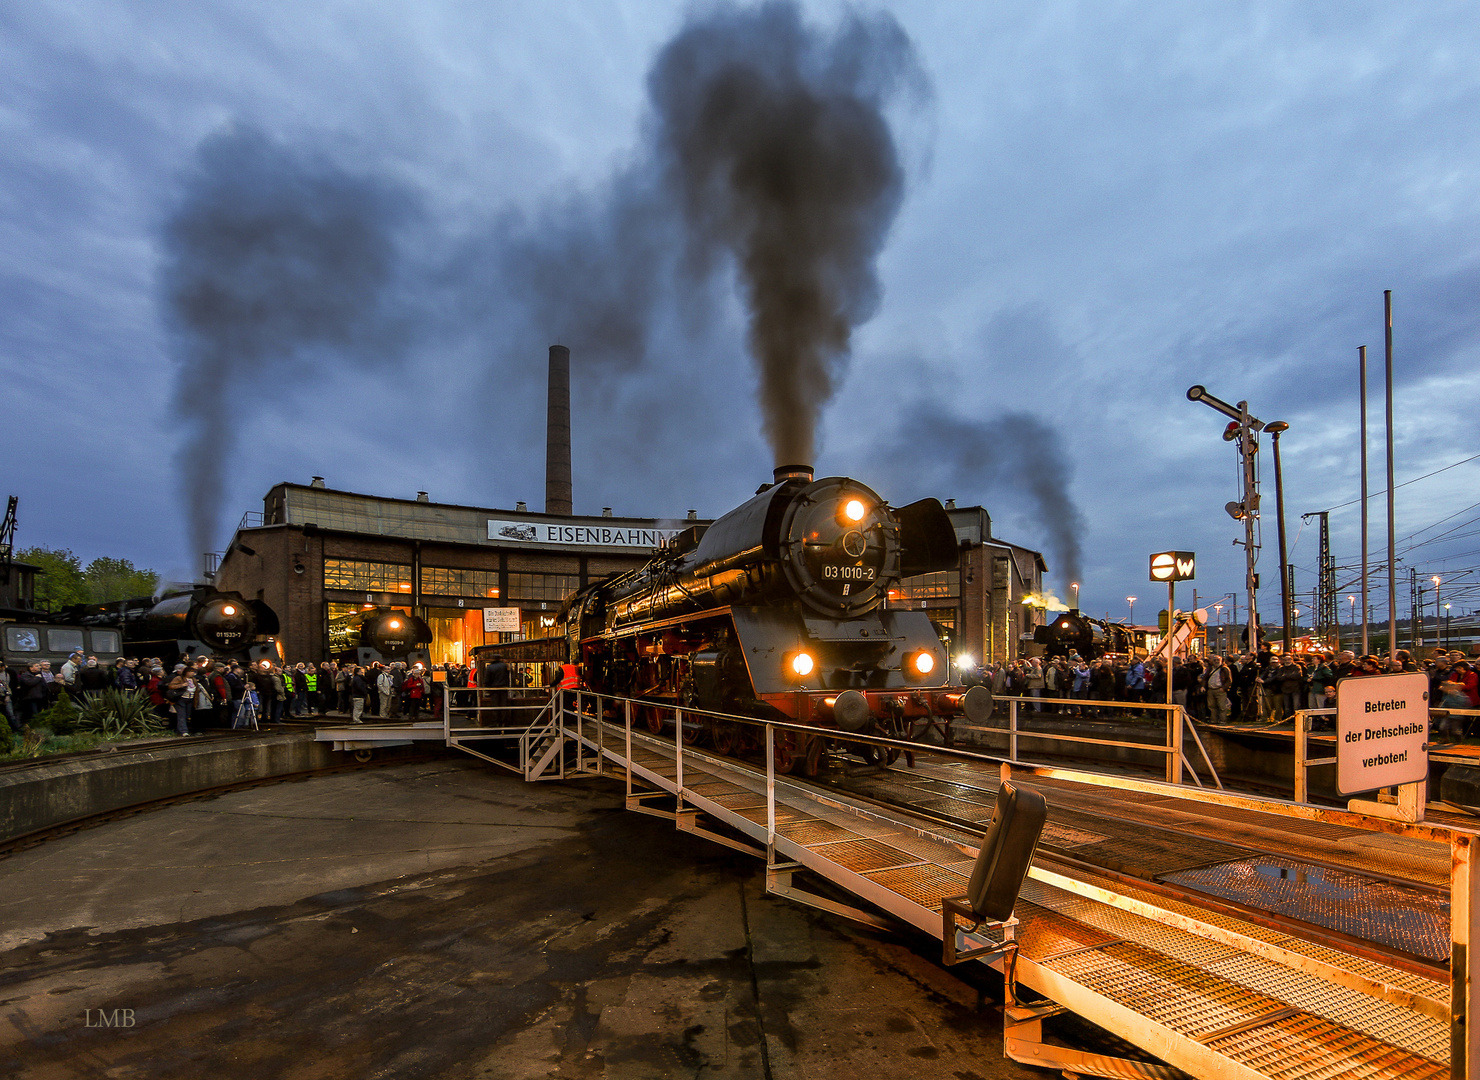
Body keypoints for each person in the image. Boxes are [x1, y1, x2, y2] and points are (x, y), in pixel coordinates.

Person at [166, 669, 197, 735]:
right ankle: (184, 731)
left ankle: (179, 730)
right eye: (191, 671)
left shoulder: (193, 679)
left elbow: (196, 689)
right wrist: (182, 685)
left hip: (190, 699)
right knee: (181, 715)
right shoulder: (179, 678)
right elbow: (171, 686)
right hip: (181, 698)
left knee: (187, 715)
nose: (192, 673)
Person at [1204, 655, 1232, 725]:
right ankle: (1214, 720)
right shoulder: (1210, 669)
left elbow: (1229, 680)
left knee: (1222, 706)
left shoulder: (1224, 669)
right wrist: (1203, 686)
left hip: (1220, 689)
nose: (1216, 661)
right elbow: (1205, 678)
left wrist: (1224, 688)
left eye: (1218, 660)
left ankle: (1223, 720)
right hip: (1211, 689)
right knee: (1211, 706)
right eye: (1214, 660)